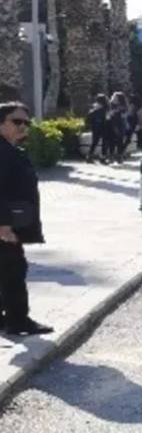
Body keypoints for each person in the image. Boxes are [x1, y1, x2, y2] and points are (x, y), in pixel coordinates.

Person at [0, 102, 54, 336]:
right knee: (14, 270)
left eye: (26, 122)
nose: (23, 126)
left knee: (7, 269)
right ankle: (17, 320)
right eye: (16, 121)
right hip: (5, 225)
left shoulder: (10, 150)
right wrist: (3, 225)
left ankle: (9, 318)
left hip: (11, 222)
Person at [85, 94, 108, 163]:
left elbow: (88, 119)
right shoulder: (97, 109)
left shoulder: (102, 109)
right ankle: (99, 157)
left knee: (98, 142)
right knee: (99, 142)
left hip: (98, 127)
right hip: (100, 127)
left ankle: (93, 156)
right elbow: (88, 118)